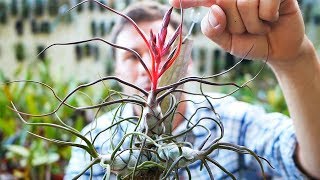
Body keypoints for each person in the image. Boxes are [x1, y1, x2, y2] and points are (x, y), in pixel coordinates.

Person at [65, 0, 320, 179]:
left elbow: (310, 165)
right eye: (132, 56)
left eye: (168, 52)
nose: (148, 68)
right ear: (117, 70)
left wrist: (294, 60)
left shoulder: (234, 122)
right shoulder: (96, 141)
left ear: (189, 62)